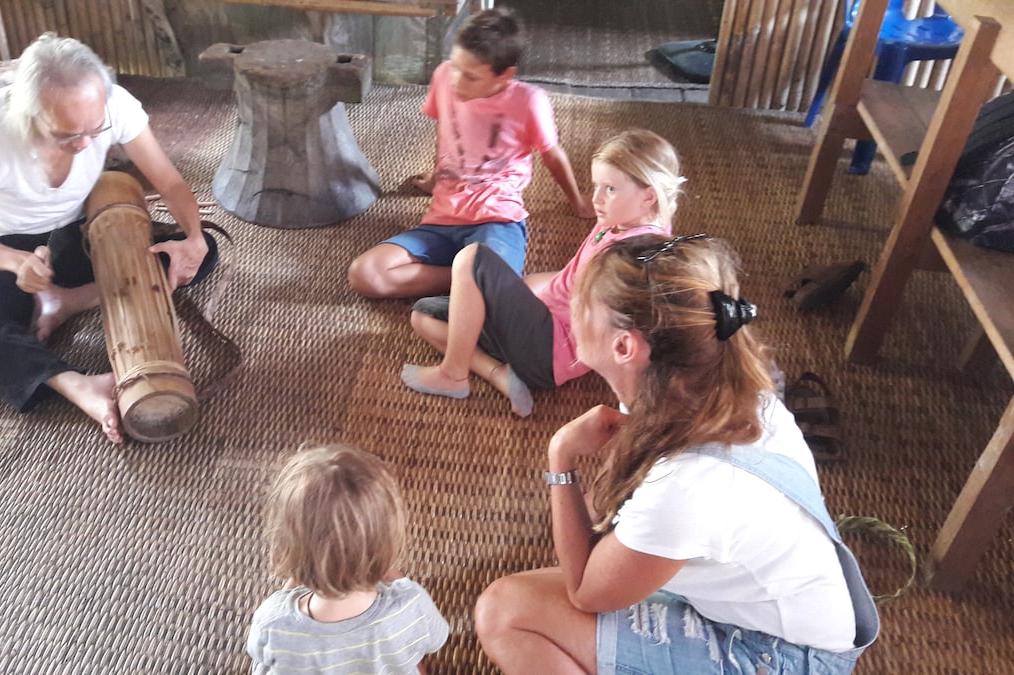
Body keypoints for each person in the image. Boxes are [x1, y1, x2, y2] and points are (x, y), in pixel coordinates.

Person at [473, 234, 879, 673]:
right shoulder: (704, 384)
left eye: (581, 301)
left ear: (624, 347)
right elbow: (609, 507)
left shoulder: (684, 484)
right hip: (781, 606)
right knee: (584, 536)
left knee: (505, 611)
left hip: (781, 655)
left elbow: (586, 592)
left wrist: (561, 458)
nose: (569, 305)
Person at [0, 33, 219, 444]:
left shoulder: (115, 104)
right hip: (11, 247)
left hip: (82, 232)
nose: (85, 144)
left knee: (200, 253)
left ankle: (68, 301)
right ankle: (75, 384)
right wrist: (17, 263)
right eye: (66, 135)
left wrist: (192, 237)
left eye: (95, 130)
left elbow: (170, 183)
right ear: (28, 114)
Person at [401, 129, 681, 418]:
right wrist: (532, 294)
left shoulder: (634, 255)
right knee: (424, 315)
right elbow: (577, 278)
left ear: (649, 196)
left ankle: (452, 374)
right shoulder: (622, 220)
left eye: (610, 189)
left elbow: (630, 327)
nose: (596, 198)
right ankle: (499, 374)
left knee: (473, 259)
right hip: (542, 328)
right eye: (596, 185)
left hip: (549, 351)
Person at [346, 6, 594, 299]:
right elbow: (447, 133)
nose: (456, 81)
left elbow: (552, 155)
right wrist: (436, 180)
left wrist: (577, 201)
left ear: (504, 76)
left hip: (496, 217)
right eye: (456, 66)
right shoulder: (443, 75)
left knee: (496, 285)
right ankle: (469, 278)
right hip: (442, 220)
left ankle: (476, 279)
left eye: (471, 76)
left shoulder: (529, 101)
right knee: (365, 275)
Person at [246, 444, 450, 674]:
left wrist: (289, 589)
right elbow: (436, 640)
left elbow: (258, 655)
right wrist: (392, 574)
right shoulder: (411, 603)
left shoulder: (273, 620)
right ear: (387, 541)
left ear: (287, 548)